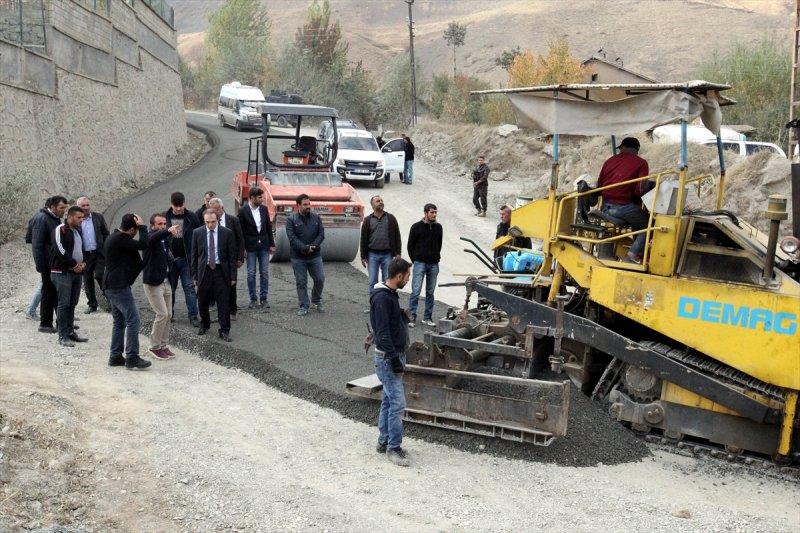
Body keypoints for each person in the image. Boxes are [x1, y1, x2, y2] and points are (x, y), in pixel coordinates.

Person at [371, 257, 412, 467]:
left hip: (392, 355)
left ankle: (383, 440)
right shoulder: (382, 298)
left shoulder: (390, 295)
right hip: (387, 358)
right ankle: (393, 448)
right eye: (407, 276)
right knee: (398, 403)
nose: (408, 279)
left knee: (388, 400)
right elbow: (383, 333)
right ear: (398, 276)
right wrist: (395, 359)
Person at [103, 213, 151, 370]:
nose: (136, 233)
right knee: (133, 320)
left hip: (111, 285)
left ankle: (115, 356)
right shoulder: (121, 239)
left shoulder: (115, 236)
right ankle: (132, 357)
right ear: (131, 230)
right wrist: (143, 227)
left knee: (119, 322)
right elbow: (143, 244)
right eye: (136, 230)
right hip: (118, 286)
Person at [596, 137, 650, 263]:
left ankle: (637, 254)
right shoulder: (641, 163)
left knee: (638, 219)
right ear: (636, 150)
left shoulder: (609, 161)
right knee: (650, 225)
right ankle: (633, 255)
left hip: (605, 206)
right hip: (623, 207)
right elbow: (641, 190)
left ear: (623, 147)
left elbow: (600, 185)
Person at [191, 210, 237, 342]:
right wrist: (194, 275)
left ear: (217, 220)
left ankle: (224, 330)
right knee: (202, 300)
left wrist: (233, 276)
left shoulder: (226, 233)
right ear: (204, 221)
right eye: (207, 222)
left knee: (223, 302)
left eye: (213, 222)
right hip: (204, 270)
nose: (210, 225)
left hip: (220, 271)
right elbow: (194, 255)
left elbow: (231, 256)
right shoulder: (197, 232)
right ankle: (205, 324)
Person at [142, 213, 180, 360]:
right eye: (159, 224)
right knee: (162, 314)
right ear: (152, 226)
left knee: (168, 315)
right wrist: (168, 231)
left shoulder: (164, 239)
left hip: (166, 281)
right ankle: (154, 346)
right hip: (153, 283)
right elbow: (153, 238)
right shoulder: (149, 237)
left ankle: (163, 345)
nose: (163, 227)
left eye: (164, 224)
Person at [51, 206, 88, 347]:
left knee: (72, 303)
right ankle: (63, 335)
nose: (81, 220)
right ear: (70, 216)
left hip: (76, 273)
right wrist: (74, 264)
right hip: (62, 272)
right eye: (79, 217)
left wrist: (83, 263)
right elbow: (60, 250)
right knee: (64, 304)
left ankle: (70, 332)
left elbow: (81, 249)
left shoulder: (77, 231)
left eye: (82, 218)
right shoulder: (61, 229)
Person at [31, 195, 68, 334]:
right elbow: (37, 244)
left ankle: (61, 322)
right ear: (52, 207)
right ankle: (45, 323)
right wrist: (40, 265)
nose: (64, 211)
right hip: (47, 264)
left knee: (54, 292)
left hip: (53, 262)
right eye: (61, 208)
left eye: (65, 208)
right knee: (48, 292)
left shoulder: (53, 218)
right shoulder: (42, 219)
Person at [285, 194, 325, 316]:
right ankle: (304, 305)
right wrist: (305, 248)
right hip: (298, 257)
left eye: (309, 204)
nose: (308, 206)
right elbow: (292, 238)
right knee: (301, 282)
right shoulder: (291, 220)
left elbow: (321, 234)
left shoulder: (316, 218)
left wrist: (313, 246)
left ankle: (316, 299)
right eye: (305, 204)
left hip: (315, 256)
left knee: (320, 279)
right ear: (298, 205)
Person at [165, 192, 201, 327]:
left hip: (187, 260)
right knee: (170, 289)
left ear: (184, 203)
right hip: (171, 260)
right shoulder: (165, 217)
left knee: (189, 288)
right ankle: (170, 314)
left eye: (181, 205)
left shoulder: (192, 217)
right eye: (176, 206)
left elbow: (199, 236)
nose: (179, 208)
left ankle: (193, 315)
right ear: (171, 204)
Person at [208, 198, 245, 320]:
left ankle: (232, 310)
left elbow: (240, 239)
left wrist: (240, 257)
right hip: (216, 259)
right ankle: (221, 311)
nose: (215, 213)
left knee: (231, 284)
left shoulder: (233, 220)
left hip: (230, 259)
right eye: (212, 210)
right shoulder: (210, 222)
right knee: (217, 286)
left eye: (217, 210)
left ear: (222, 208)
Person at [238, 186, 275, 309]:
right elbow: (240, 231)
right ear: (252, 198)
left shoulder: (264, 209)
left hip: (264, 245)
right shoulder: (243, 211)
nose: (262, 199)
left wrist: (271, 244)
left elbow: (268, 227)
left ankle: (264, 299)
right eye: (260, 197)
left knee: (264, 272)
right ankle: (253, 299)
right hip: (250, 246)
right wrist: (241, 248)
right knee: (251, 273)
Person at [407, 203, 442, 327]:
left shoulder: (439, 227)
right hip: (419, 263)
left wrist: (436, 257)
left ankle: (427, 317)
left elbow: (439, 244)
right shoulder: (416, 227)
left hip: (433, 264)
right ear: (425, 213)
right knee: (415, 291)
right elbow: (410, 245)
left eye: (435, 212)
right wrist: (416, 259)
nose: (434, 215)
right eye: (432, 212)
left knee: (430, 292)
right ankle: (411, 316)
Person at [360, 196, 402, 298]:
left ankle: (386, 304)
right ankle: (373, 305)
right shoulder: (368, 220)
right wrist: (363, 256)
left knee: (387, 281)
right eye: (378, 201)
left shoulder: (391, 218)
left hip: (387, 254)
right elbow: (363, 239)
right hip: (372, 255)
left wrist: (398, 253)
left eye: (381, 200)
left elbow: (397, 236)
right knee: (372, 281)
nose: (381, 202)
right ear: (372, 205)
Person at [76, 196, 110, 314]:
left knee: (100, 275)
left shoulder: (98, 217)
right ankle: (92, 304)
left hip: (99, 253)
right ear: (78, 207)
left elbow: (106, 233)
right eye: (83, 206)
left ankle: (110, 299)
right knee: (87, 279)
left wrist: (106, 247)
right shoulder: (76, 220)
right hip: (85, 255)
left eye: (87, 205)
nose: (86, 208)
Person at [24, 198, 53, 321]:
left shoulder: (38, 217)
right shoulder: (41, 219)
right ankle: (30, 311)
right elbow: (30, 238)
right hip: (45, 258)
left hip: (46, 256)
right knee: (44, 285)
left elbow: (29, 237)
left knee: (47, 285)